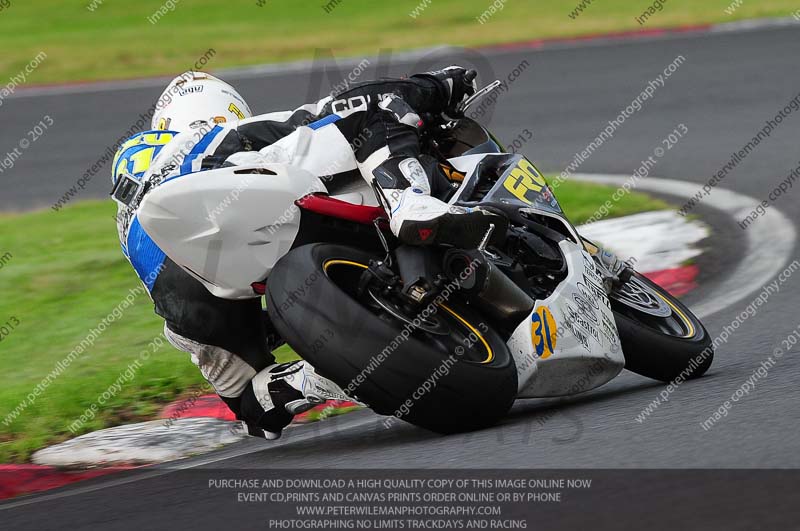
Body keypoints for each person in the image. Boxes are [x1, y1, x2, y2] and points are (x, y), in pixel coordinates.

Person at [111, 67, 505, 439]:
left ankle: (319, 377)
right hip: (206, 189)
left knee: (252, 406)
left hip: (178, 294)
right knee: (373, 107)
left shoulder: (132, 189)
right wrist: (434, 87)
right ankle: (408, 200)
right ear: (224, 113)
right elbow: (319, 116)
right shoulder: (204, 141)